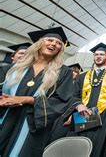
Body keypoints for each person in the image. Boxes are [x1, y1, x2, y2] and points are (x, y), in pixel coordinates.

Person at [0, 27, 73, 156]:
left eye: (58, 43)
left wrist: (27, 100)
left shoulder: (63, 72)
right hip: (6, 117)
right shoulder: (15, 67)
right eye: (50, 40)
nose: (53, 44)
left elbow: (62, 101)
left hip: (32, 126)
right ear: (39, 43)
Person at [67, 43, 106, 157]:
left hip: (102, 118)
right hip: (82, 116)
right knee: (76, 147)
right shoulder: (82, 76)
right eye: (96, 54)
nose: (98, 56)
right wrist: (79, 105)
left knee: (96, 148)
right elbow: (74, 96)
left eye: (101, 54)